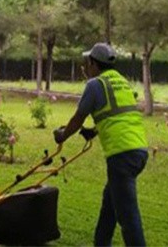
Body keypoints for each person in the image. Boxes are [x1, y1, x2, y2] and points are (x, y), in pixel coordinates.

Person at [53, 43, 148, 246]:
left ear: (94, 63)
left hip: (121, 154)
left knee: (128, 216)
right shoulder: (121, 82)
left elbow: (78, 117)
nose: (86, 67)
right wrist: (94, 131)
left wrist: (62, 135)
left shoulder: (95, 84)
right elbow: (117, 114)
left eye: (87, 63)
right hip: (138, 151)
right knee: (110, 204)